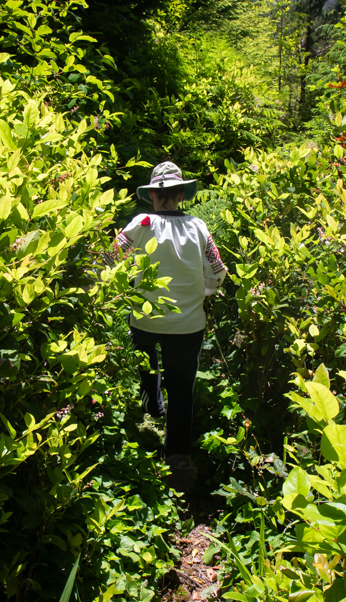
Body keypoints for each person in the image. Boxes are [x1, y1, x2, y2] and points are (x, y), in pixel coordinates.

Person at [112, 162, 227, 465]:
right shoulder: (198, 227)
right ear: (181, 194)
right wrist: (201, 293)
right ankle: (176, 452)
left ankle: (152, 411)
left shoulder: (141, 223)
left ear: (152, 195)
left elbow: (110, 259)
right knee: (182, 389)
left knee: (148, 373)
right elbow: (217, 271)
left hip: (145, 320)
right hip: (188, 324)